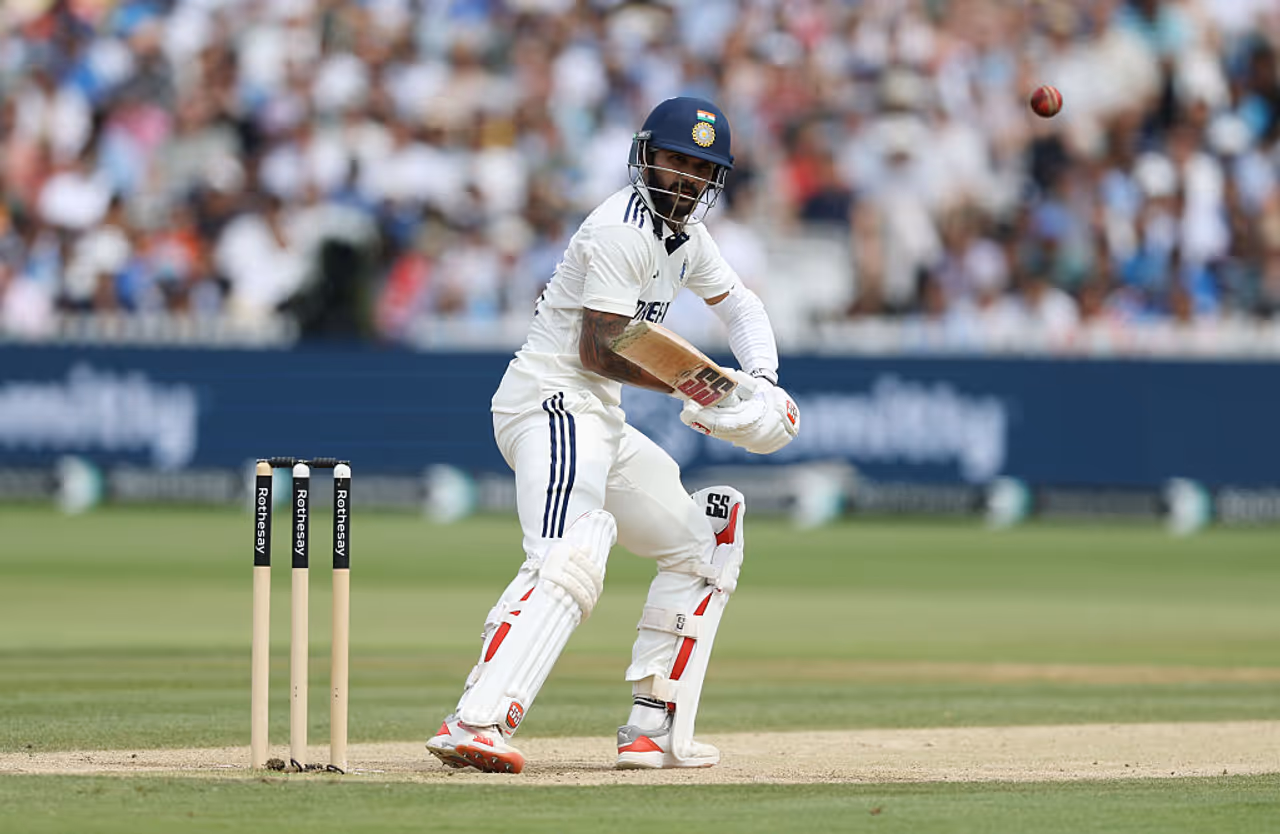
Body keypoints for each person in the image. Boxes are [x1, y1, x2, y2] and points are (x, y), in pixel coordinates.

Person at [425, 97, 800, 773]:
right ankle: (475, 721)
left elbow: (739, 304)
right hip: (549, 403)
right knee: (571, 553)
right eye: (676, 161)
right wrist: (711, 390)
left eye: (700, 169)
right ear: (646, 157)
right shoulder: (618, 230)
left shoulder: (690, 240)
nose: (685, 178)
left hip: (597, 417)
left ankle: (652, 727)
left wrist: (763, 381)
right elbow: (600, 349)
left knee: (702, 544)